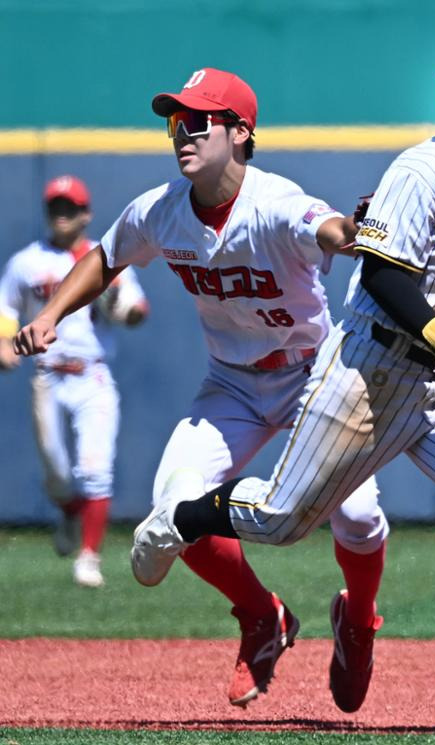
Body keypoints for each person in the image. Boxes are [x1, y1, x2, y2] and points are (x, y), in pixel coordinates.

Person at [118, 28, 435, 727]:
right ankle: (182, 517)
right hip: (375, 363)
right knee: (280, 518)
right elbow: (383, 272)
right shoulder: (427, 167)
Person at [12, 69, 389, 712]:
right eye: (172, 123)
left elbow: (325, 227)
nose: (180, 134)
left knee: (355, 515)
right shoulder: (160, 209)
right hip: (234, 384)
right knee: (172, 514)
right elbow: (105, 257)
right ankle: (260, 615)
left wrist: (353, 234)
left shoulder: (272, 201)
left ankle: (358, 620)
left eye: (196, 122)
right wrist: (51, 316)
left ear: (240, 133)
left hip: (313, 376)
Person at [0, 175, 149, 588]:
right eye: (55, 208)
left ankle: (89, 557)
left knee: (95, 469)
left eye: (69, 208)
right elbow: (5, 311)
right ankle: (68, 509)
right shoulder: (27, 262)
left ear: (86, 214)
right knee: (57, 473)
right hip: (47, 375)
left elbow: (135, 310)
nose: (61, 215)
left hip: (93, 375)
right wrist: (4, 344)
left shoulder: (103, 257)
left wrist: (126, 309)